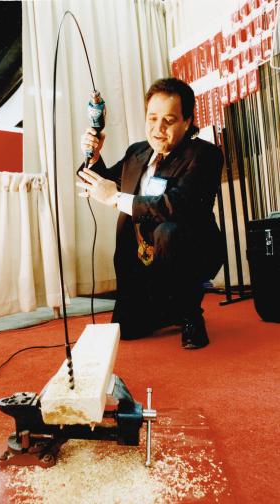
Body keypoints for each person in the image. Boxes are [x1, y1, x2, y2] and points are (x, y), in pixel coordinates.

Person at [77, 77, 224, 349]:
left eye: (169, 120)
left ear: (187, 121)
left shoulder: (205, 155)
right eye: (152, 118)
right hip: (142, 253)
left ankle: (191, 315)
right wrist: (94, 157)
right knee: (128, 329)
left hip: (191, 249)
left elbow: (176, 205)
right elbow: (106, 183)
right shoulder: (137, 152)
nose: (158, 129)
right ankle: (167, 309)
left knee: (169, 229)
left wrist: (115, 198)